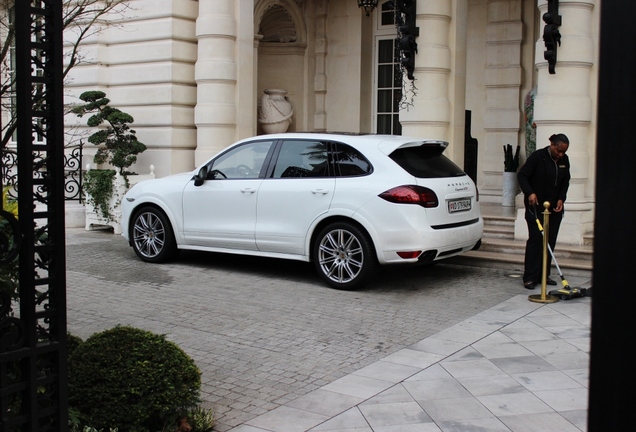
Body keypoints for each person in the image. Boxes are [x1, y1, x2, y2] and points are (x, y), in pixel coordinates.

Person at [517, 133, 571, 289]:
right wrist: (530, 193)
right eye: (559, 151)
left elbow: (565, 181)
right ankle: (530, 277)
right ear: (552, 145)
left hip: (554, 208)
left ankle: (543, 274)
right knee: (536, 240)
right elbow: (522, 176)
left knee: (549, 241)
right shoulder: (537, 157)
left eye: (563, 152)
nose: (561, 155)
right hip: (536, 207)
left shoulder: (564, 160)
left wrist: (561, 198)